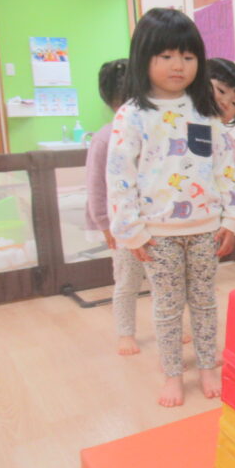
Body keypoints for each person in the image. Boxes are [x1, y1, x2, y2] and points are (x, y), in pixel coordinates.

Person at [107, 8, 235, 407]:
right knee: (167, 308)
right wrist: (130, 231)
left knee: (204, 302)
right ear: (143, 58)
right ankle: (172, 374)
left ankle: (207, 366)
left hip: (205, 229)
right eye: (165, 56)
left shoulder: (204, 112)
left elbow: (225, 167)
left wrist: (232, 217)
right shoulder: (132, 115)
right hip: (157, 234)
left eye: (187, 56)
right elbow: (119, 176)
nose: (178, 65)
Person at [85, 58, 147, 356]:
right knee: (126, 281)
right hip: (122, 224)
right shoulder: (104, 138)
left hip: (156, 221)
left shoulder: (152, 131)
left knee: (165, 281)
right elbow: (96, 185)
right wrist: (103, 223)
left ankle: (172, 325)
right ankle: (126, 332)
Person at [207, 57, 235, 126]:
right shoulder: (187, 115)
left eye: (234, 103)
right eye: (221, 91)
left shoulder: (218, 132)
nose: (225, 103)